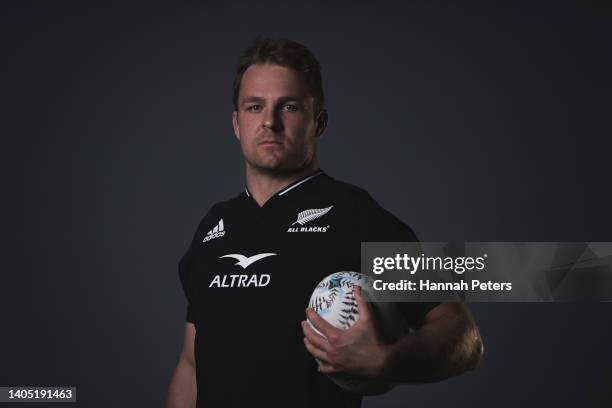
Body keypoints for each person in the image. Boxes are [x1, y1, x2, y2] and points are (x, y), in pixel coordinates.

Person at [166, 37, 483, 408]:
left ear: (319, 121)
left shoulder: (355, 216)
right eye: (255, 107)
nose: (270, 121)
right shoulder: (213, 227)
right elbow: (191, 364)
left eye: (290, 107)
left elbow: (464, 335)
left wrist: (388, 360)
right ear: (237, 123)